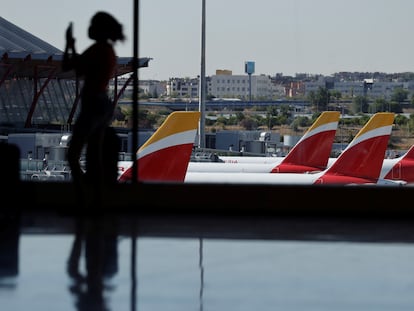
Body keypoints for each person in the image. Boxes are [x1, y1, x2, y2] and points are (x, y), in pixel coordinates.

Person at [62, 12, 125, 205]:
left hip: (93, 104)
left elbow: (69, 66)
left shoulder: (98, 50)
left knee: (73, 154)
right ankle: (96, 200)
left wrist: (69, 44)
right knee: (94, 157)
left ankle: (82, 199)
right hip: (102, 104)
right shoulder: (108, 51)